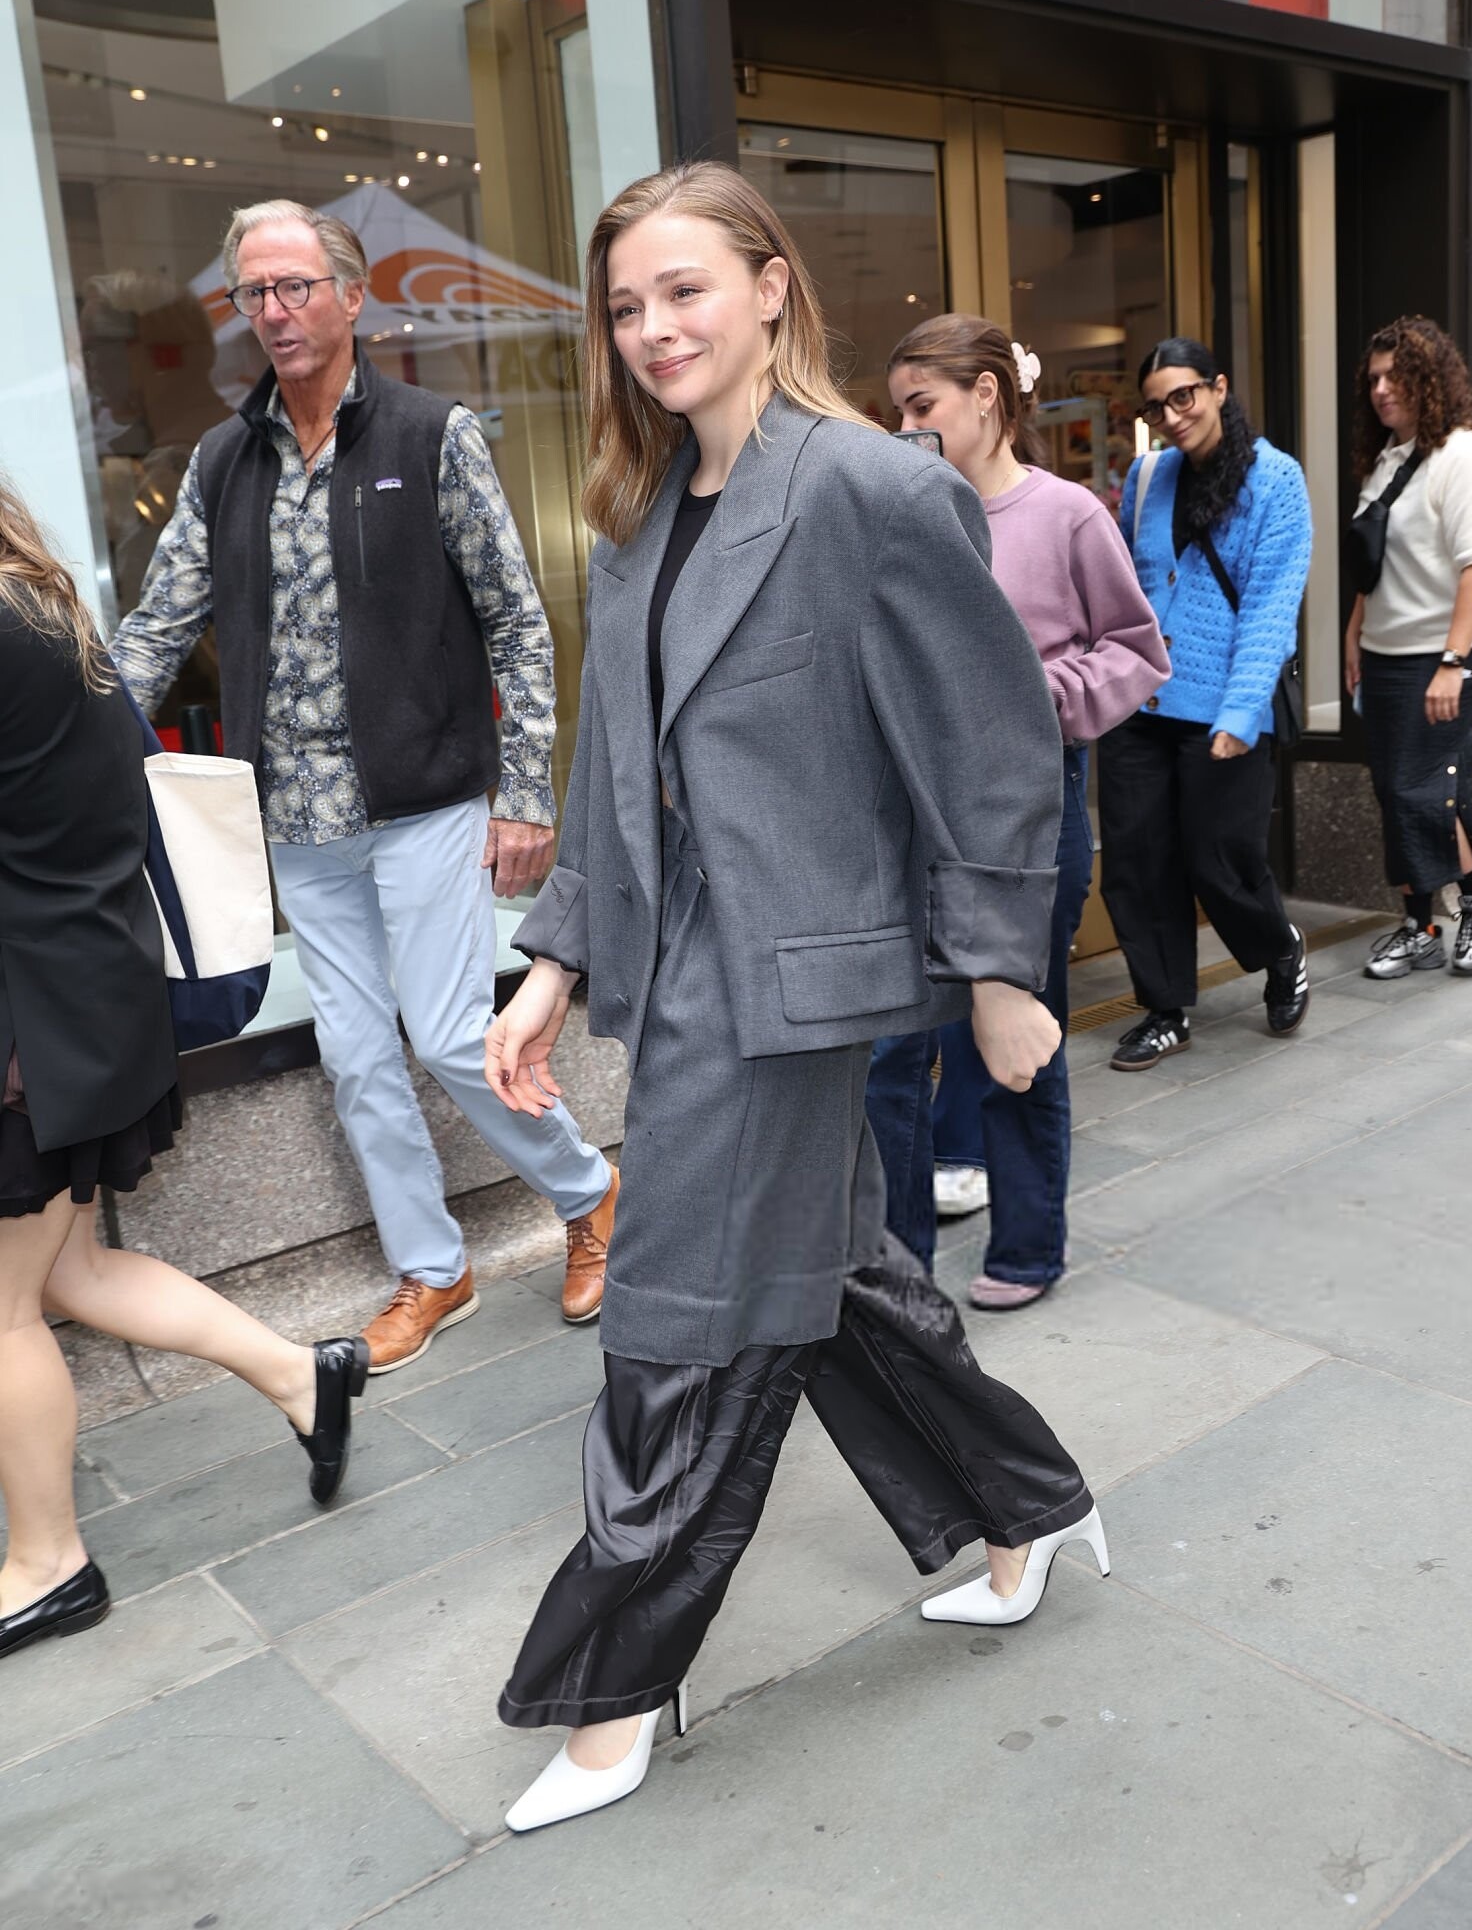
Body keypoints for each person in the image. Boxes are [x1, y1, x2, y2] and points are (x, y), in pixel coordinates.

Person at [483, 164, 1108, 1833]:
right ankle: (1025, 1506)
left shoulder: (875, 489)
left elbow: (989, 745)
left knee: (675, 1312)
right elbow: (612, 770)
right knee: (829, 1278)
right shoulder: (638, 518)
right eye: (626, 304)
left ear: (771, 288)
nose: (652, 327)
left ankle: (615, 1687)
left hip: (790, 987)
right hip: (681, 968)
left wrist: (1002, 975)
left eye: (684, 288)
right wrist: (551, 965)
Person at [111, 200, 620, 1366]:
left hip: (426, 795)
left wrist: (526, 793)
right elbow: (159, 621)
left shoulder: (433, 434)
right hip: (295, 818)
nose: (275, 310)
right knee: (353, 1056)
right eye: (254, 292)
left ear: (351, 296)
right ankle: (432, 1269)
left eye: (295, 285)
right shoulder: (223, 459)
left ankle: (590, 1192)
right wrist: (79, 726)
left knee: (447, 1035)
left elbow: (516, 619)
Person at [0, 480, 366, 1663]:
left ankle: (50, 1565)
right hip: (80, 1000)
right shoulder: (44, 607)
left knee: (4, 1308)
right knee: (71, 1272)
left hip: (36, 1024)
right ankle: (304, 1375)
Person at [866, 314, 1168, 1307]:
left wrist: (1034, 696)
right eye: (897, 411)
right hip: (914, 807)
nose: (906, 429)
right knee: (894, 1046)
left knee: (1019, 1029)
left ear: (987, 394)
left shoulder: (1068, 513)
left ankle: (1028, 1248)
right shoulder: (904, 518)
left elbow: (1137, 650)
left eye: (922, 405)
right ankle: (898, 1279)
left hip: (1034, 802)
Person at [1099, 338, 1312, 1071]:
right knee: (1138, 863)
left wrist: (1241, 712)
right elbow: (1129, 587)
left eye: (1183, 396)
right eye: (1156, 406)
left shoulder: (1276, 480)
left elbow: (1270, 607)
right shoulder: (1147, 475)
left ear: (1219, 388)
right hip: (1140, 705)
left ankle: (1280, 950)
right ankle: (1164, 1010)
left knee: (1220, 860)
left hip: (1224, 706)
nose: (1171, 416)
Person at [1345, 315, 1472, 978]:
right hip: (1386, 651)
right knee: (1398, 789)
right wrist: (1354, 635)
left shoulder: (1462, 455)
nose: (1382, 389)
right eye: (1374, 379)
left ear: (1429, 379)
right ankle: (1421, 925)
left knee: (1424, 789)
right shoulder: (1387, 461)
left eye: (1396, 376)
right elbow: (1375, 565)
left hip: (1443, 652)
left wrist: (1452, 663)